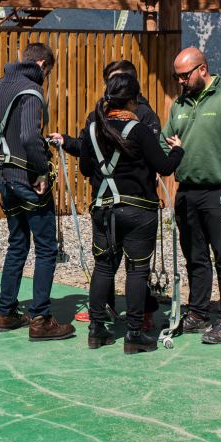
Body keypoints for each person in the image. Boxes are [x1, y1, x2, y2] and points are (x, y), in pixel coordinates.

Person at [0, 42, 75, 341]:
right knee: (45, 248)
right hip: (28, 180)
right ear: (42, 65)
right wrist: (41, 170)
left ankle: (6, 312)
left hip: (4, 180)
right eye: (49, 72)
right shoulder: (31, 91)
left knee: (17, 244)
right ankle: (40, 319)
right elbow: (30, 136)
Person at [79, 73, 183, 353]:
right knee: (137, 271)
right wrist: (178, 151)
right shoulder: (138, 131)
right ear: (134, 100)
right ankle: (134, 333)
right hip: (138, 210)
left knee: (103, 267)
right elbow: (163, 166)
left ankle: (96, 328)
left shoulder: (93, 128)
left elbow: (86, 170)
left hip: (103, 209)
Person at [161, 47, 221, 344]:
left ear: (202, 69)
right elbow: (166, 142)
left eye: (184, 76)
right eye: (176, 77)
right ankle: (198, 312)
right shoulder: (179, 104)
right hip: (187, 191)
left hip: (220, 190)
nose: (180, 82)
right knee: (194, 256)